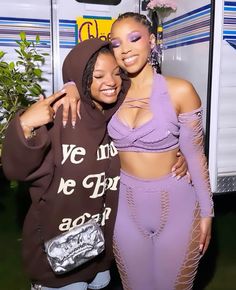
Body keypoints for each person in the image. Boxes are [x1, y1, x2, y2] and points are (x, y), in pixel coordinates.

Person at [56, 12, 214, 290]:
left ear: (151, 41)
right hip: (124, 211)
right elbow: (80, 75)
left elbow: (195, 156)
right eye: (116, 43)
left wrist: (207, 213)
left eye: (134, 38)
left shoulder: (180, 91)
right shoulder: (109, 94)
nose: (125, 49)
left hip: (178, 204)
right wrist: (70, 87)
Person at [1, 38, 131, 290]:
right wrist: (25, 125)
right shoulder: (62, 116)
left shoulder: (110, 114)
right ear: (83, 77)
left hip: (97, 250)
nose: (112, 82)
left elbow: (129, 86)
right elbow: (16, 169)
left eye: (116, 73)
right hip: (58, 255)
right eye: (98, 75)